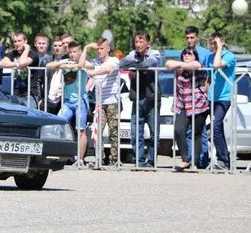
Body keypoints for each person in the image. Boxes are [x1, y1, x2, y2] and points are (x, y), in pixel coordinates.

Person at [119, 31, 161, 167]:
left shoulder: (155, 53)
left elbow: (148, 64)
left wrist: (133, 67)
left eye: (141, 41)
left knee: (154, 133)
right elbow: (122, 64)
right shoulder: (133, 54)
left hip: (152, 99)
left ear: (148, 43)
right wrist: (132, 66)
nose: (138, 45)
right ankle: (139, 161)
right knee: (136, 132)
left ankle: (151, 162)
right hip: (137, 98)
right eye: (136, 42)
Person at [166, 48, 209, 172]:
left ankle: (194, 163)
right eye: (184, 53)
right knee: (178, 130)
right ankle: (185, 160)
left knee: (196, 134)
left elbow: (195, 65)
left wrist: (180, 65)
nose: (186, 55)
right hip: (184, 105)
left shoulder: (199, 66)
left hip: (198, 104)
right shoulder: (181, 71)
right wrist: (182, 65)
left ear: (195, 56)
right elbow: (168, 64)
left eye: (189, 53)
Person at [79, 38, 121, 165]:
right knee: (97, 131)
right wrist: (86, 48)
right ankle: (100, 158)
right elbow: (81, 64)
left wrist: (92, 72)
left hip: (112, 101)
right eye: (97, 49)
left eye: (101, 48)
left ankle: (114, 159)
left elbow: (107, 69)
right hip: (99, 103)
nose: (99, 51)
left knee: (114, 131)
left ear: (108, 49)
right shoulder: (95, 61)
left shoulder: (114, 60)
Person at [47, 40, 90, 163]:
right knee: (58, 124)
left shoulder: (85, 62)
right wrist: (65, 63)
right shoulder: (66, 60)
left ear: (79, 52)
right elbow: (49, 65)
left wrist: (84, 50)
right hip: (68, 102)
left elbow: (82, 65)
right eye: (70, 52)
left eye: (75, 52)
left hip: (80, 101)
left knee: (81, 130)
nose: (72, 54)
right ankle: (60, 156)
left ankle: (80, 159)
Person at [204, 31, 236, 170]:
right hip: (212, 97)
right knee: (217, 128)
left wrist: (220, 48)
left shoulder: (229, 56)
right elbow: (209, 77)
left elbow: (217, 65)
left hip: (224, 97)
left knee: (216, 125)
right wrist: (206, 93)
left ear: (223, 42)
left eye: (215, 43)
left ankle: (224, 159)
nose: (213, 46)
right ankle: (224, 158)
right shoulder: (209, 57)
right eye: (211, 43)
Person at [184, 26, 211, 167]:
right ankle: (190, 159)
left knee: (200, 131)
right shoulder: (184, 53)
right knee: (189, 130)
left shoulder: (204, 53)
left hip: (200, 97)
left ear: (197, 38)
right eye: (187, 37)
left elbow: (208, 76)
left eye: (192, 37)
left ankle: (202, 160)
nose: (189, 40)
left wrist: (205, 94)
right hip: (187, 97)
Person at [0, 31, 40, 108]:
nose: (17, 43)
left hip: (30, 94)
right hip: (16, 93)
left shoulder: (33, 54)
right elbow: (1, 63)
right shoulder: (13, 53)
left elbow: (23, 62)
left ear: (25, 41)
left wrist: (26, 49)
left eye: (19, 41)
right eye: (15, 41)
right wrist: (16, 64)